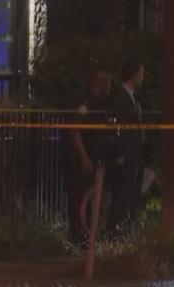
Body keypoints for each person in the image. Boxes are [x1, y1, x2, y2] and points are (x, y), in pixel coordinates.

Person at [67, 69, 114, 246]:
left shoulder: (98, 104)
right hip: (81, 161)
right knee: (80, 197)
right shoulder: (84, 101)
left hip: (92, 158)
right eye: (108, 83)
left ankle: (88, 238)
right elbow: (75, 130)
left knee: (90, 196)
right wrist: (84, 156)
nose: (110, 88)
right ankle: (79, 238)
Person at [108, 59, 147, 236]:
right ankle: (113, 232)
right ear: (133, 75)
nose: (142, 77)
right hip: (126, 155)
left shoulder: (133, 97)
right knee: (122, 194)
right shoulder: (119, 98)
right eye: (140, 73)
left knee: (131, 194)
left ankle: (124, 230)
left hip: (135, 154)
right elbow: (116, 127)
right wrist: (119, 152)